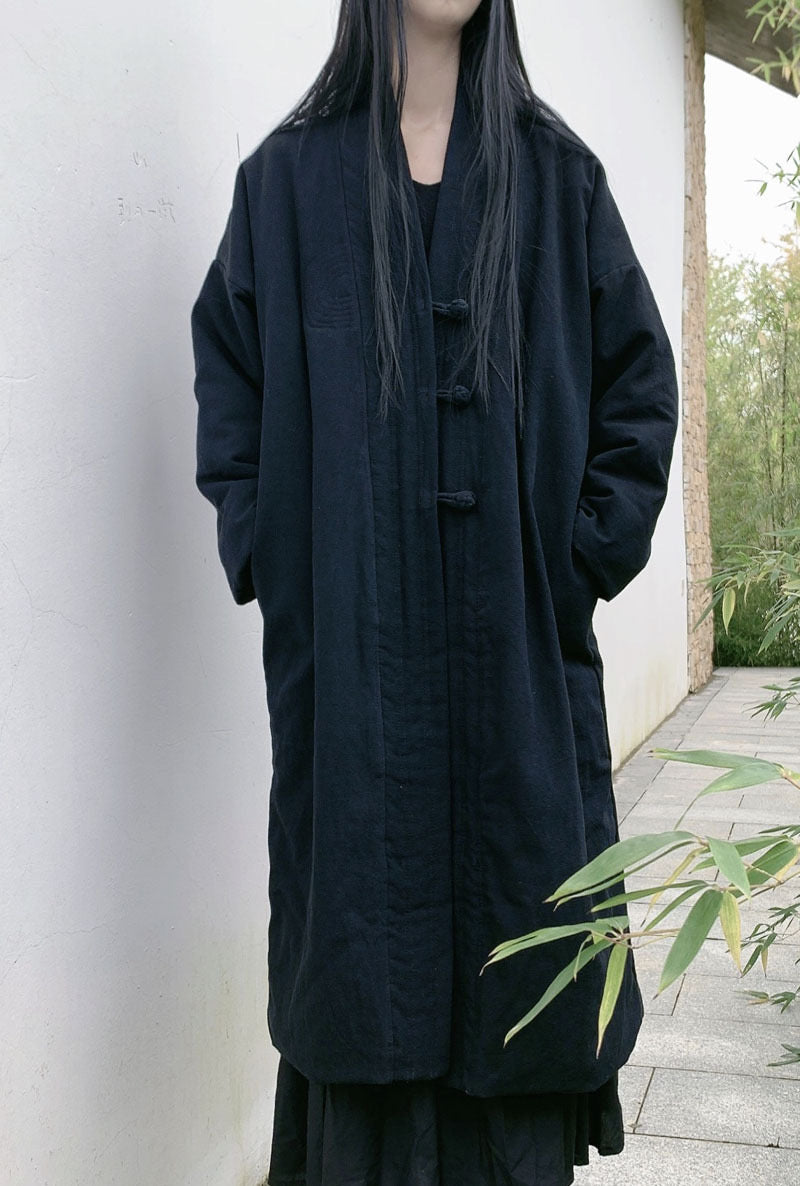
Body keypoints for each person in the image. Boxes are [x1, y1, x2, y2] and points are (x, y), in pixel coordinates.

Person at [190, 1, 680, 1182]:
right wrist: (277, 559)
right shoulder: (285, 185)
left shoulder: (555, 178)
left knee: (523, 929)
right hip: (349, 675)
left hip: (517, 666)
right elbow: (232, 395)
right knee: (358, 955)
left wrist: (573, 563)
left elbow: (639, 389)